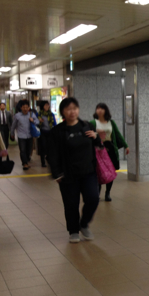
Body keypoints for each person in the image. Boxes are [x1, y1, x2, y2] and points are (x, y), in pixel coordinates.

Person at [48, 97, 101, 244]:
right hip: (68, 174)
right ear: (63, 112)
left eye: (75, 108)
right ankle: (73, 231)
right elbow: (52, 154)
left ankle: (84, 224)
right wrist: (56, 173)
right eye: (68, 109)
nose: (72, 112)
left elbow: (98, 145)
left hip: (88, 171)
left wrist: (96, 137)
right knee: (71, 203)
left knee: (93, 198)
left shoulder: (87, 126)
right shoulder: (57, 131)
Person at [90, 103, 129, 202]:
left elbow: (118, 134)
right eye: (98, 108)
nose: (99, 110)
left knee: (110, 171)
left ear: (106, 110)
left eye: (102, 108)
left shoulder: (111, 122)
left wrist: (126, 146)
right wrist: (96, 133)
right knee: (98, 171)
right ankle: (97, 193)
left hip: (110, 149)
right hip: (98, 150)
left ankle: (107, 193)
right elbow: (88, 135)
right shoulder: (93, 123)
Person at [10, 99, 39, 170]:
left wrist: (33, 120)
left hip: (30, 135)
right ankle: (25, 163)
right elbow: (13, 126)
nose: (25, 109)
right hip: (21, 136)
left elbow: (37, 122)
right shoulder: (17, 116)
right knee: (22, 150)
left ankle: (27, 159)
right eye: (24, 107)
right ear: (21, 108)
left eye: (27, 107)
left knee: (29, 150)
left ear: (29, 108)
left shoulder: (31, 114)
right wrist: (12, 133)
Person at [38, 101, 57, 167]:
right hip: (42, 132)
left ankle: (49, 159)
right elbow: (36, 123)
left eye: (48, 105)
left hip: (50, 132)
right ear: (42, 106)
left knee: (50, 147)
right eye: (45, 105)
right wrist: (39, 121)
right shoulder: (39, 114)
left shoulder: (51, 114)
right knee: (43, 147)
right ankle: (43, 162)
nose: (47, 107)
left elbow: (54, 123)